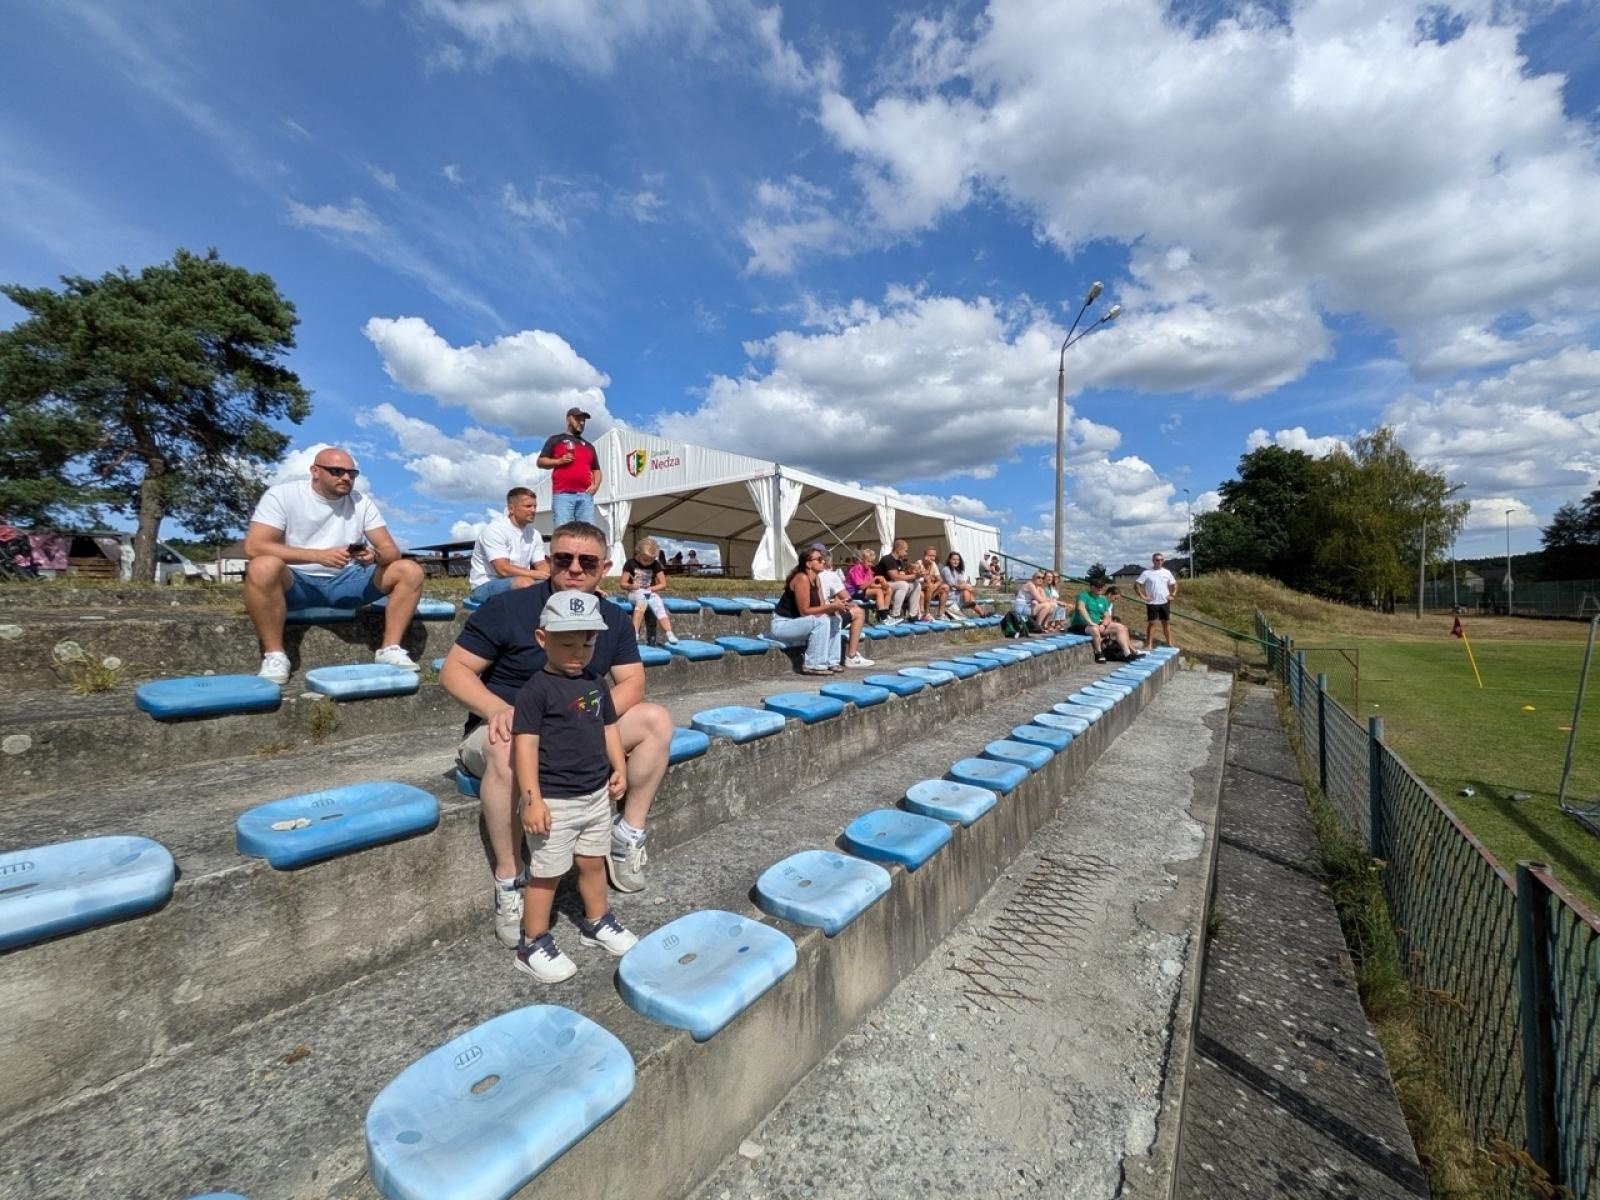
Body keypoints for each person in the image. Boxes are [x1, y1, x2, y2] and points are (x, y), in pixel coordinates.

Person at [440, 521, 673, 946]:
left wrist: (582, 721)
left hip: (576, 726)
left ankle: (626, 835)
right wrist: (497, 708)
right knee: (509, 740)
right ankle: (510, 880)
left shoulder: (612, 618)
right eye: (563, 558)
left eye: (587, 561)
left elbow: (632, 684)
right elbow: (454, 671)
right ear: (549, 561)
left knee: (656, 719)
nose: (574, 568)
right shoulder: (510, 608)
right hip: (504, 728)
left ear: (603, 567)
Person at [509, 590, 639, 982]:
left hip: (596, 795)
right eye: (566, 642)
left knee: (592, 861)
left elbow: (609, 726)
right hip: (555, 799)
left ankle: (597, 921)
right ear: (542, 638)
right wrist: (531, 799)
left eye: (587, 642)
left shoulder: (596, 681)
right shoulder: (536, 690)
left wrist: (620, 766)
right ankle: (532, 942)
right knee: (546, 873)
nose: (578, 651)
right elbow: (525, 746)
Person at [243, 446, 423, 684]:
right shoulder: (283, 495)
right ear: (315, 471)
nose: (346, 478)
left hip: (348, 581)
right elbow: (254, 546)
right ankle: (275, 655)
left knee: (410, 570)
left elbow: (391, 550)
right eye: (337, 471)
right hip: (297, 582)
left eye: (352, 473)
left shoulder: (361, 502)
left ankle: (389, 648)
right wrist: (317, 556)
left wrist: (374, 555)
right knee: (262, 566)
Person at [771, 546, 867, 674]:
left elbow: (822, 607)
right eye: (819, 559)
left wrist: (836, 608)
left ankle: (832, 661)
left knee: (834, 618)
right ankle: (813, 664)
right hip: (782, 625)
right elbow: (804, 611)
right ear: (809, 563)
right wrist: (832, 606)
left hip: (799, 623)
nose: (823, 561)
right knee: (821, 621)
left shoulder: (817, 579)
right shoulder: (802, 578)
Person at [467, 487, 549, 604]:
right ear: (511, 508)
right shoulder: (495, 530)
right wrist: (536, 574)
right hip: (486, 585)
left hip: (523, 580)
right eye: (528, 506)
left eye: (535, 506)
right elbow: (503, 570)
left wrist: (549, 576)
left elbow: (541, 564)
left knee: (555, 584)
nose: (533, 510)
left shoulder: (534, 534)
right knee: (525, 584)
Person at [537, 407, 602, 527]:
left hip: (585, 496)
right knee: (564, 531)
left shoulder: (589, 446)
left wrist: (595, 486)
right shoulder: (555, 440)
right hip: (563, 494)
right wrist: (559, 461)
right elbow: (540, 462)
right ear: (568, 420)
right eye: (577, 419)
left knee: (586, 533)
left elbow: (596, 470)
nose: (581, 423)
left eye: (583, 421)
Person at [814, 545, 872, 667]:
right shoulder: (830, 576)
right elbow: (847, 598)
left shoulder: (802, 575)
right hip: (822, 617)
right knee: (858, 612)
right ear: (826, 561)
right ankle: (851, 655)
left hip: (809, 616)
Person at [620, 536, 679, 645]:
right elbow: (622, 583)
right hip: (634, 593)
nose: (648, 563)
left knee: (659, 606)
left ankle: (669, 633)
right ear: (638, 553)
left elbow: (663, 584)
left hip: (649, 592)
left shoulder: (655, 564)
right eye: (645, 559)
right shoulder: (630, 563)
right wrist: (630, 586)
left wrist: (651, 588)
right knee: (641, 602)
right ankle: (635, 633)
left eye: (651, 560)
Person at [1069, 578, 1139, 664]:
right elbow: (1081, 609)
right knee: (1094, 629)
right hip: (1080, 624)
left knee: (1121, 627)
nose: (1100, 589)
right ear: (1091, 587)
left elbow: (1107, 616)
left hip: (1098, 625)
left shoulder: (1102, 599)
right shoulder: (1083, 595)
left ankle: (1127, 654)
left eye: (1101, 587)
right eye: (1098, 587)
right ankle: (1099, 653)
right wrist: (1091, 623)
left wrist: (1103, 625)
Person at [1135, 552, 1179, 650]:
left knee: (1166, 623)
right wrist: (1142, 596)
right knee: (1152, 623)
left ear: (1163, 561)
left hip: (1164, 601)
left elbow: (1175, 584)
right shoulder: (1147, 573)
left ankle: (1169, 643)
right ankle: (1149, 644)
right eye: (1157, 560)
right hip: (1152, 602)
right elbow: (1137, 585)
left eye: (1161, 560)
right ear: (1153, 561)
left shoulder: (1167, 572)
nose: (1159, 562)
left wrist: (1173, 594)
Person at [874, 539, 924, 625]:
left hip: (892, 584)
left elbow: (902, 576)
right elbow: (895, 577)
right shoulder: (887, 559)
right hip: (881, 585)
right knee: (903, 584)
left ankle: (913, 614)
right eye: (905, 550)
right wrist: (914, 576)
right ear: (899, 549)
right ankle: (895, 614)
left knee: (916, 584)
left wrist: (917, 575)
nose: (906, 553)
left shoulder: (899, 562)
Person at [846, 547, 890, 615]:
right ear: (862, 560)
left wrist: (883, 585)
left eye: (872, 561)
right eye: (868, 561)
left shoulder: (868, 570)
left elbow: (871, 584)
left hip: (862, 591)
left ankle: (886, 613)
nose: (871, 564)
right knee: (878, 591)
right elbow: (861, 587)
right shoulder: (856, 569)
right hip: (852, 592)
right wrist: (875, 579)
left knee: (888, 591)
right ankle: (883, 617)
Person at [940, 552, 981, 618]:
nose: (956, 561)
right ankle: (968, 605)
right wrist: (963, 586)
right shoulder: (946, 569)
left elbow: (961, 582)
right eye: (954, 559)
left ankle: (981, 613)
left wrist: (965, 586)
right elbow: (952, 584)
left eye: (958, 560)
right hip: (948, 593)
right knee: (966, 591)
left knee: (967, 590)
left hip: (956, 592)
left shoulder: (957, 571)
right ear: (949, 560)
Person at [918, 546, 952, 618]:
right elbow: (925, 579)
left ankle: (940, 614)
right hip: (920, 590)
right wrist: (931, 579)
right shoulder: (919, 563)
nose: (932, 558)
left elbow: (940, 580)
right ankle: (926, 613)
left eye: (934, 556)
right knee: (929, 585)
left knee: (945, 587)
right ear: (924, 555)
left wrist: (935, 585)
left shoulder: (933, 564)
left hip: (930, 589)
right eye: (930, 556)